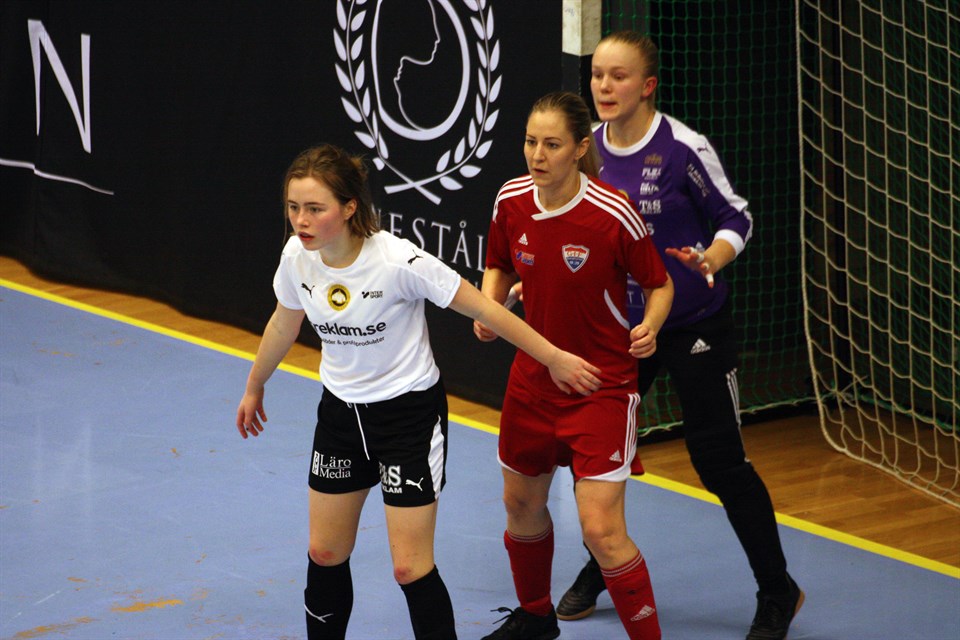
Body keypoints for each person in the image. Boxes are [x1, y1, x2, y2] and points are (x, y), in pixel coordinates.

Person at [235, 144, 604, 640]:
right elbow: (285, 320)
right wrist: (255, 385)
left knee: (409, 567)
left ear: (349, 208)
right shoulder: (297, 259)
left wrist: (554, 357)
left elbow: (486, 310)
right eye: (293, 207)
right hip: (341, 418)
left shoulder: (397, 261)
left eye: (315, 208)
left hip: (407, 420)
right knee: (324, 553)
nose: (301, 220)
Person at [553, 31, 804, 640]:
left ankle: (778, 589)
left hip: (693, 325)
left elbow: (736, 216)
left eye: (618, 76)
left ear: (647, 86)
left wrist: (712, 258)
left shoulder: (683, 148)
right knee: (598, 458)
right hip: (621, 332)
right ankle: (605, 562)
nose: (604, 86)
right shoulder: (587, 151)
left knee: (719, 461)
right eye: (597, 75)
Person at [473, 91, 674, 640]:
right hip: (532, 384)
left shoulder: (613, 212)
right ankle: (536, 618)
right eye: (530, 142)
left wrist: (650, 327)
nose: (537, 155)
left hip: (600, 387)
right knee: (520, 503)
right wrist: (492, 305)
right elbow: (498, 264)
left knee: (601, 529)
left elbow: (659, 284)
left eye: (552, 144)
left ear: (581, 148)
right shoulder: (511, 199)